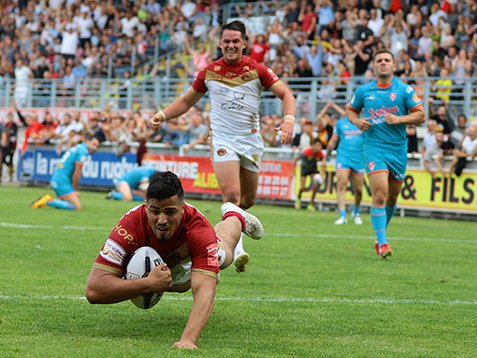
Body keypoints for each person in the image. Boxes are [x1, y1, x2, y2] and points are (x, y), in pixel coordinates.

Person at [149, 20, 296, 272]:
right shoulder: (209, 72)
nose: (230, 45)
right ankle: (236, 250)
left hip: (250, 141)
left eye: (235, 41)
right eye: (226, 41)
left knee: (246, 201)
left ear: (244, 43)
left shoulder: (258, 70)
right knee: (231, 196)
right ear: (219, 43)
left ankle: (233, 229)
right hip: (223, 140)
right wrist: (163, 115)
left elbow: (287, 95)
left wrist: (289, 120)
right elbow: (186, 101)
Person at [85, 171, 264, 350]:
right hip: (163, 267)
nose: (161, 220)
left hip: (188, 255)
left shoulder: (198, 229)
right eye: (155, 211)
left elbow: (204, 291)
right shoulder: (130, 226)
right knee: (174, 282)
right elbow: (94, 290)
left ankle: (234, 216)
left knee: (223, 257)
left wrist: (188, 340)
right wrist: (147, 283)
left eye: (170, 212)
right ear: (145, 207)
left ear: (182, 208)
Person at [346, 49, 425, 259]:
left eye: (387, 60)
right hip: (374, 148)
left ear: (393, 65)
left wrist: (399, 119)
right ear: (373, 66)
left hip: (398, 150)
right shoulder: (364, 91)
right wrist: (356, 121)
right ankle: (383, 243)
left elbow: (421, 115)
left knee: (392, 198)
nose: (383, 63)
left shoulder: (404, 90)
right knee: (379, 194)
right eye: (379, 60)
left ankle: (380, 236)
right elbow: (351, 110)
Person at [31, 134, 100, 210]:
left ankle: (50, 200)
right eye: (94, 144)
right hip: (62, 181)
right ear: (87, 141)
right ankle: (48, 201)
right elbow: (77, 172)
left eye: (97, 146)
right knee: (76, 207)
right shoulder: (83, 151)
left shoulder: (78, 147)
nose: (95, 148)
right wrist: (75, 190)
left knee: (70, 203)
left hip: (58, 178)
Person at [322, 106, 365, 225]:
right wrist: (325, 158)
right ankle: (342, 215)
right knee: (342, 184)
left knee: (359, 190)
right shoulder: (340, 124)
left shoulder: (363, 123)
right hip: (343, 158)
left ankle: (356, 213)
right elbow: (333, 142)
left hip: (359, 159)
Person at [294, 138, 324, 211]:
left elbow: (323, 161)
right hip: (304, 169)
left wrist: (323, 171)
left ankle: (311, 203)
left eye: (320, 145)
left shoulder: (320, 154)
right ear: (312, 146)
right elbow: (296, 159)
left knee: (315, 185)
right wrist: (293, 171)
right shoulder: (307, 152)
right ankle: (298, 199)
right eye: (317, 145)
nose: (319, 147)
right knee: (302, 187)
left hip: (313, 170)